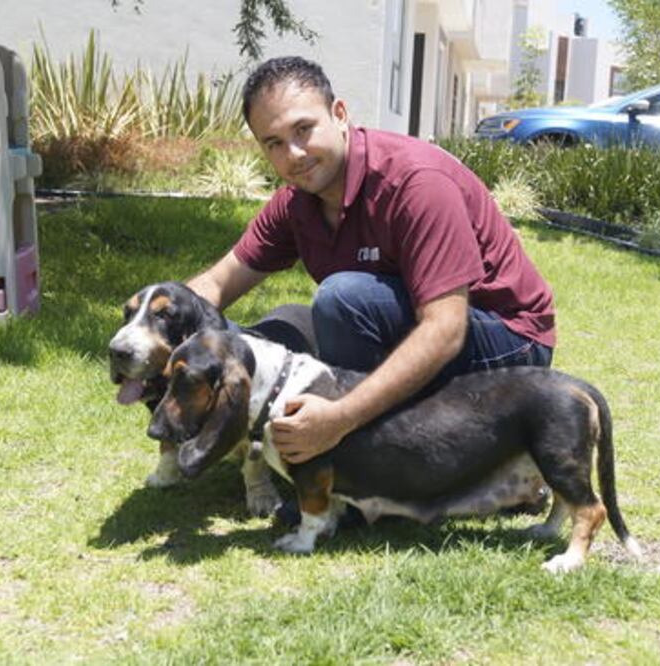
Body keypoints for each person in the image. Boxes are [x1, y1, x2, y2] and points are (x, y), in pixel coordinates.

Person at [187, 56, 555, 468]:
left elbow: (446, 329)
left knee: (343, 300)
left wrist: (339, 418)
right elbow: (217, 285)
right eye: (273, 143)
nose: (294, 154)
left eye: (304, 129)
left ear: (339, 114)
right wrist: (151, 331)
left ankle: (364, 466)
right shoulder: (296, 202)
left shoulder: (415, 183)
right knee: (269, 335)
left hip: (508, 338)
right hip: (412, 324)